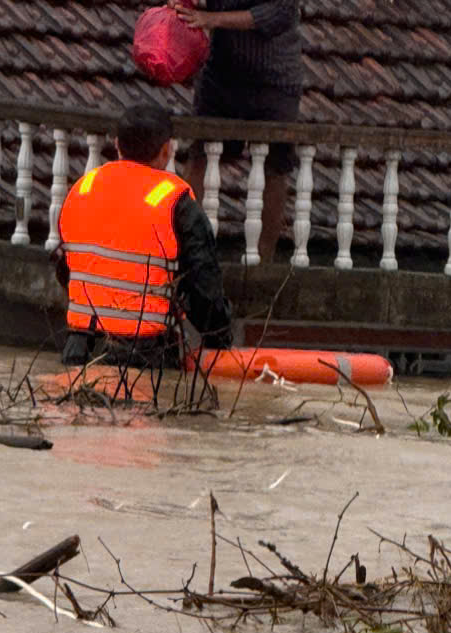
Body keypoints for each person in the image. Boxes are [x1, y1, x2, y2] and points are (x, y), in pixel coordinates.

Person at [55, 103, 234, 369]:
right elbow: (203, 286)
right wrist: (221, 340)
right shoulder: (177, 203)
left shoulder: (82, 189)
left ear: (117, 145)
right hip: (146, 357)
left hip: (79, 351)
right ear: (166, 150)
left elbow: (65, 269)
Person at [170, 0, 301, 262]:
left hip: (274, 77)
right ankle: (183, 248)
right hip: (222, 73)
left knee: (275, 166)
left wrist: (212, 19)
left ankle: (264, 259)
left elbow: (278, 13)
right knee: (201, 155)